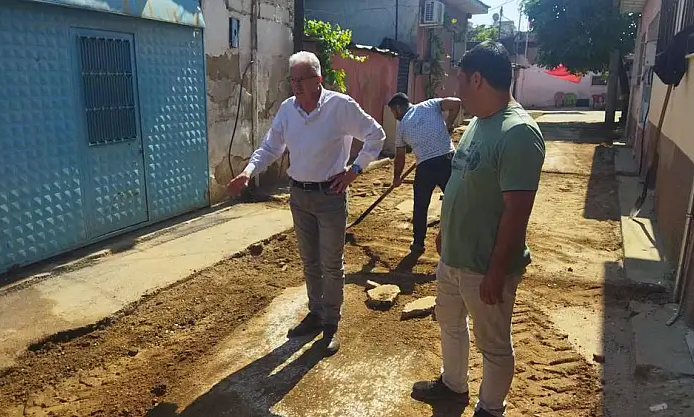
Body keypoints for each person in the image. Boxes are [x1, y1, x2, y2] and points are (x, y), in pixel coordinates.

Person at [411, 41, 545, 417]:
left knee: (494, 345)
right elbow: (463, 181)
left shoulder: (518, 133)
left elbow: (517, 210)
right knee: (450, 323)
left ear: (477, 79)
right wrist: (445, 230)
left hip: (484, 265)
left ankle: (490, 409)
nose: (456, 88)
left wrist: (497, 270)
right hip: (454, 255)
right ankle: (453, 385)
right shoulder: (477, 123)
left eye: (460, 79)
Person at [226, 51, 385, 356]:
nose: (296, 85)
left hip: (330, 197)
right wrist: (248, 172)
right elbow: (271, 147)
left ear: (318, 79)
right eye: (293, 79)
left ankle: (330, 324)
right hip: (299, 196)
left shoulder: (340, 106)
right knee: (310, 262)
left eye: (302, 79)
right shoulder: (288, 109)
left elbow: (375, 135)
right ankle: (315, 313)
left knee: (331, 264)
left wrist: (354, 171)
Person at [388, 93, 461, 253]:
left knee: (420, 206)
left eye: (393, 112)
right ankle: (459, 239)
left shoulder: (401, 127)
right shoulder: (430, 105)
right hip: (447, 161)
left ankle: (418, 243)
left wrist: (397, 178)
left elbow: (400, 157)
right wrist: (449, 123)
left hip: (425, 167)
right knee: (456, 202)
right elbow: (456, 103)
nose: (394, 116)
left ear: (398, 108)